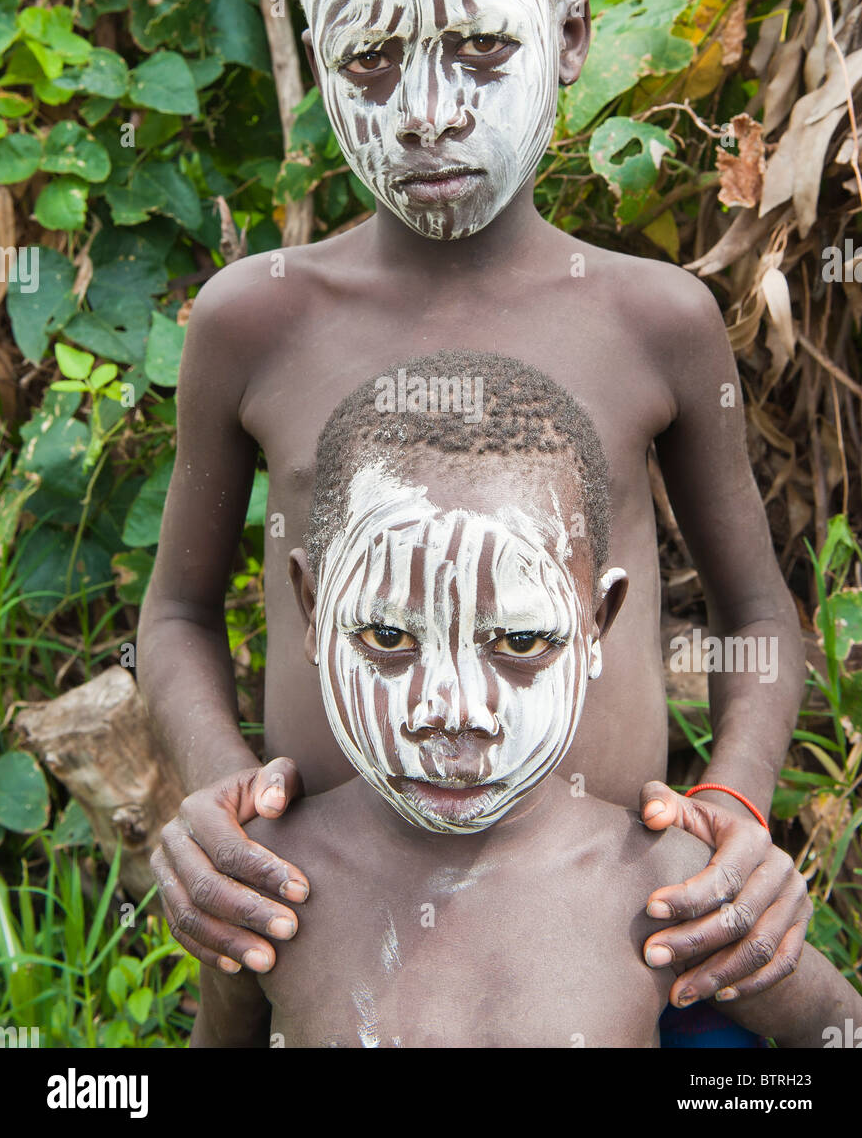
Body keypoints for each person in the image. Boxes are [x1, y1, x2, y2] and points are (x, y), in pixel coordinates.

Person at [139, 0, 811, 1027]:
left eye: (482, 52)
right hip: (337, 942)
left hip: (636, 941)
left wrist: (738, 807)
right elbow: (178, 611)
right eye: (372, 59)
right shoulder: (256, 323)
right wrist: (216, 792)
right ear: (315, 50)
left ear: (565, 41)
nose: (427, 112)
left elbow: (758, 609)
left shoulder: (650, 322)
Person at [189, 354, 858, 1049]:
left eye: (518, 640)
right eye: (386, 634)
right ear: (312, 608)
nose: (451, 710)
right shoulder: (263, 883)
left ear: (597, 623)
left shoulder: (664, 886)